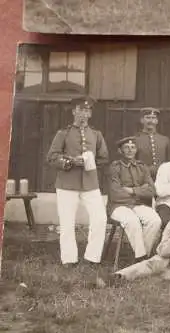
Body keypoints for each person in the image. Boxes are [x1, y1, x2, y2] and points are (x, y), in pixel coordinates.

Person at [46, 96, 109, 267]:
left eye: (87, 111)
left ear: (90, 114)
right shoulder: (63, 133)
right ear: (74, 112)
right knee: (67, 221)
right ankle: (69, 259)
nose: (83, 114)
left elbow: (104, 159)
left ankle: (92, 257)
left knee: (100, 219)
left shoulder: (96, 135)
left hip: (90, 184)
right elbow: (51, 158)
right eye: (80, 110)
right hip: (67, 184)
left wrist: (90, 161)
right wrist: (70, 161)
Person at [108, 136, 162, 263]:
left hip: (138, 205)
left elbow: (151, 191)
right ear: (120, 151)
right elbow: (116, 193)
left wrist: (132, 190)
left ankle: (142, 255)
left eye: (133, 147)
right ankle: (141, 259)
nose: (130, 150)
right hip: (118, 206)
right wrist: (141, 190)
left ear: (136, 150)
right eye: (126, 147)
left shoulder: (142, 167)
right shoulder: (114, 167)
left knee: (155, 220)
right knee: (132, 221)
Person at [134, 107, 170, 180]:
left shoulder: (165, 140)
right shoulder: (136, 140)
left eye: (153, 118)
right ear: (142, 120)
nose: (151, 121)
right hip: (142, 178)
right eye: (148, 118)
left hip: (162, 178)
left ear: (157, 121)